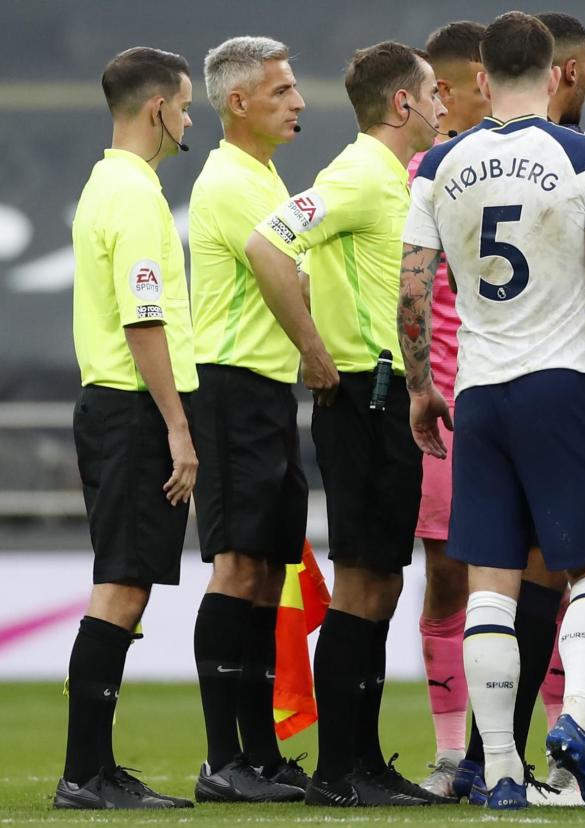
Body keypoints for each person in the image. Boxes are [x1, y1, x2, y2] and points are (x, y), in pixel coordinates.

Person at [401, 11, 585, 810]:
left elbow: (415, 285)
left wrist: (423, 387)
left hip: (480, 392)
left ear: (481, 79)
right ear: (558, 74)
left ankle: (497, 771)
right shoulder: (583, 155)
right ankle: (577, 727)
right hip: (563, 380)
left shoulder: (440, 163)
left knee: (491, 579)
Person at [246, 40, 448, 808]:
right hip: (365, 395)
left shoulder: (389, 178)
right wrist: (314, 348)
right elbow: (268, 244)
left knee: (382, 582)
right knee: (365, 581)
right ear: (402, 104)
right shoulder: (359, 175)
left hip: (384, 397)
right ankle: (340, 772)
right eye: (431, 94)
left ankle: (361, 763)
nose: (438, 106)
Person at [56, 46, 197, 810]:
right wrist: (178, 425)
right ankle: (85, 774)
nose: (187, 118)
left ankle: (93, 769)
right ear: (157, 110)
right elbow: (144, 318)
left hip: (111, 404)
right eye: (184, 104)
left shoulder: (104, 183)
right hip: (132, 408)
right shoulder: (137, 196)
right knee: (120, 588)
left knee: (125, 584)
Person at [188, 35, 310, 804]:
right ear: (239, 103)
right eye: (281, 91)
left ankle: (259, 755)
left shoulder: (263, 175)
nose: (298, 101)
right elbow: (281, 274)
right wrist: (319, 353)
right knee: (237, 564)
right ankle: (219, 760)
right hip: (231, 388)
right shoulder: (231, 181)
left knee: (266, 569)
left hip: (265, 391)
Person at [408, 20, 488, 800]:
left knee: (542, 575)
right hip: (449, 413)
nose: (434, 102)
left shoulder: (539, 160)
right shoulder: (416, 175)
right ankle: (448, 752)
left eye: (442, 87)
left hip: (521, 394)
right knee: (447, 576)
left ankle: (538, 748)